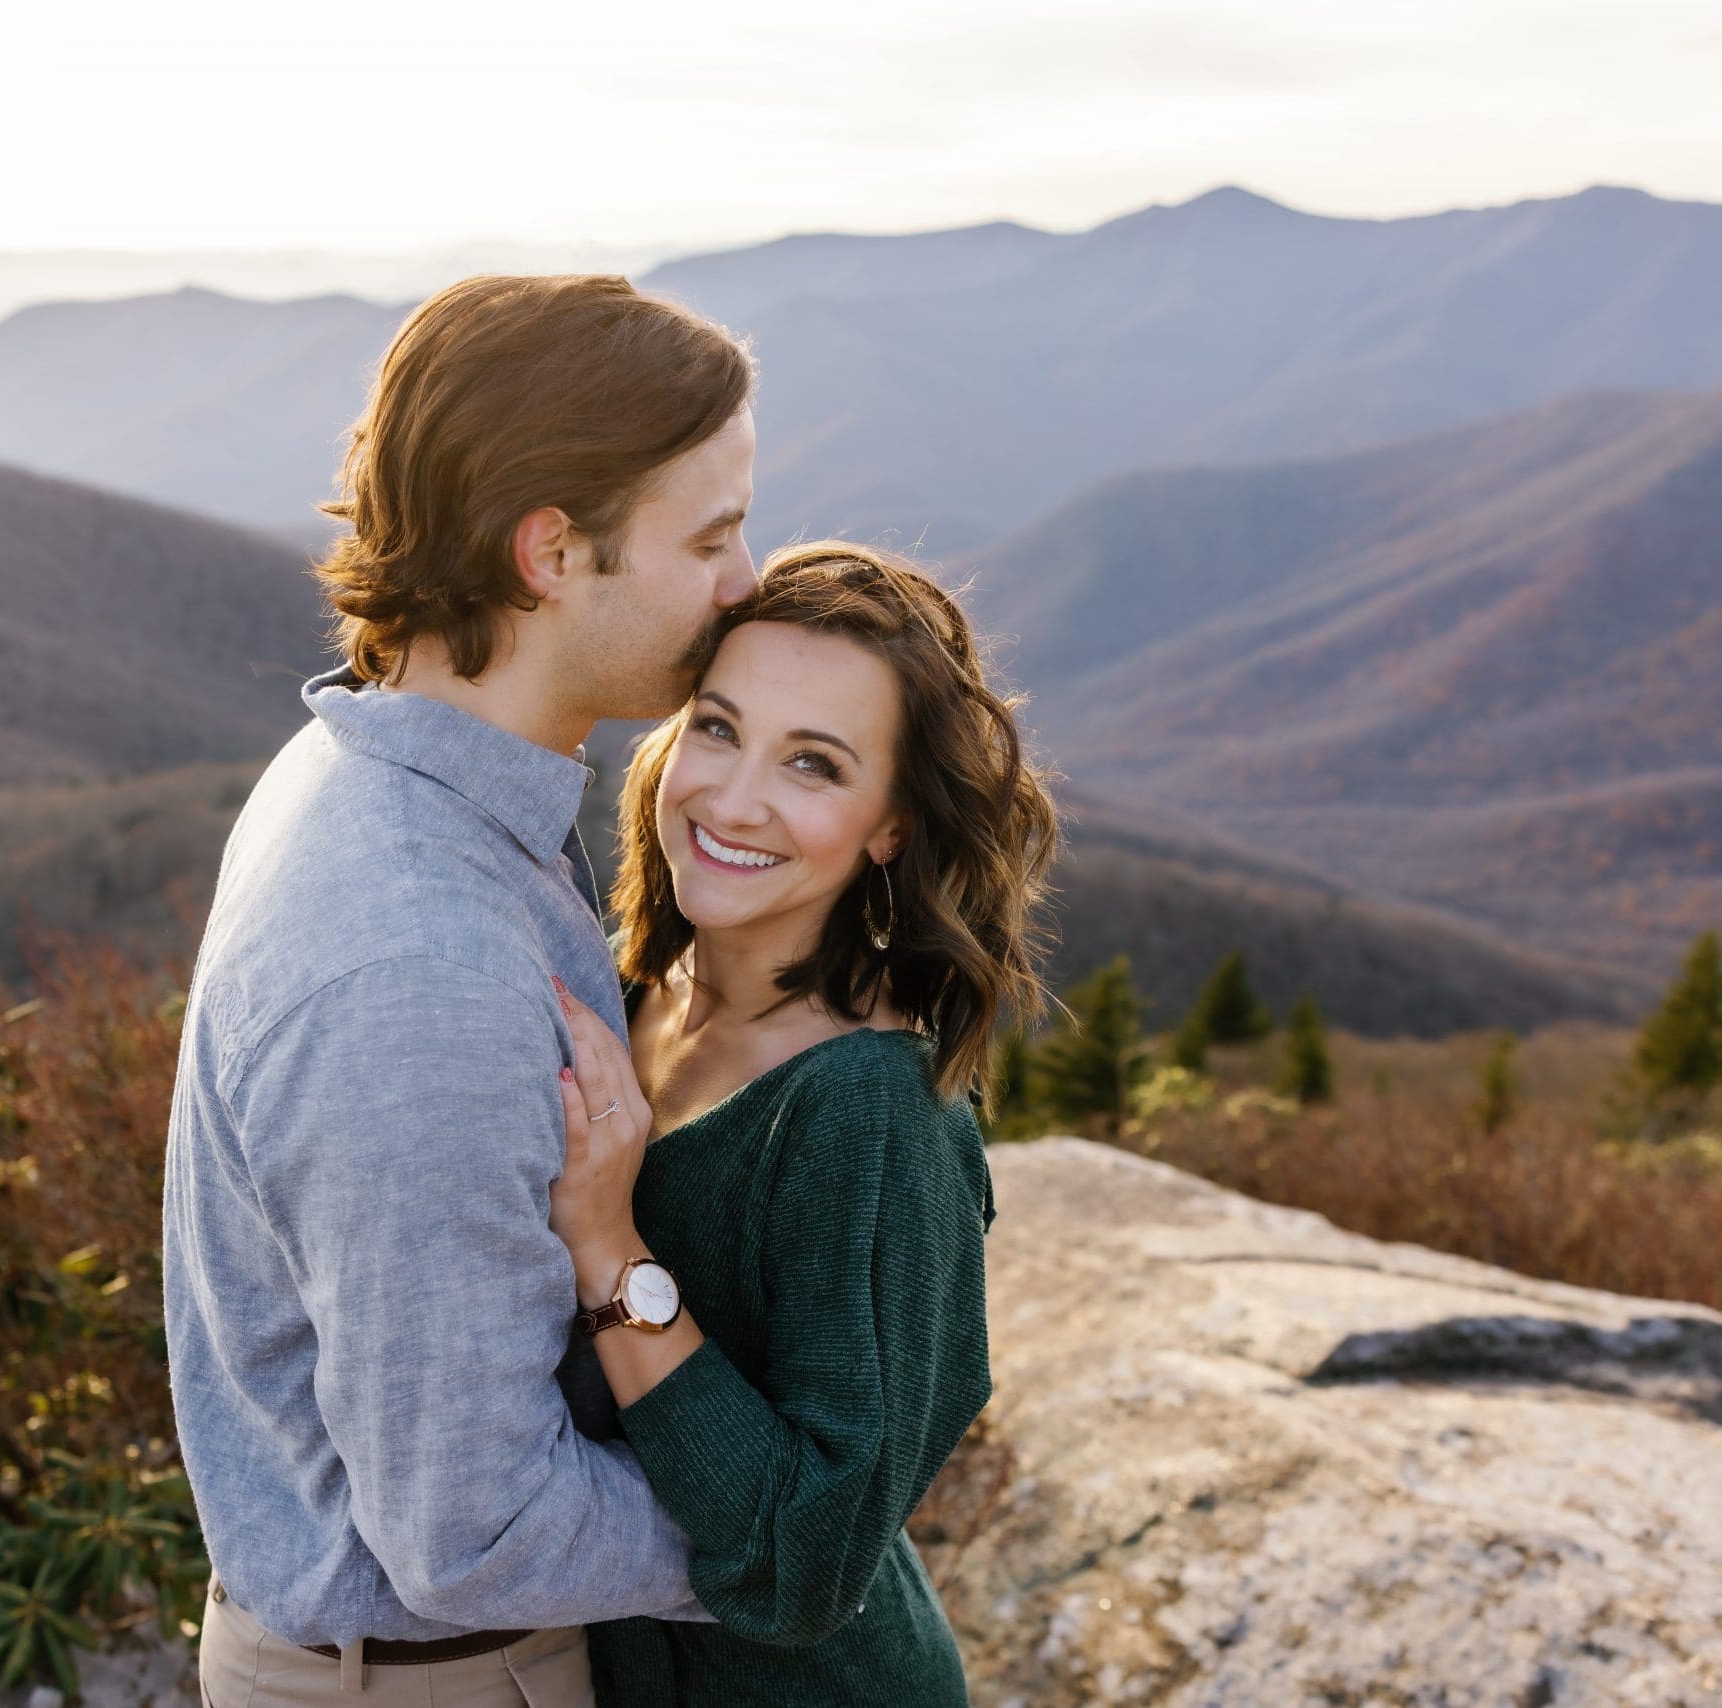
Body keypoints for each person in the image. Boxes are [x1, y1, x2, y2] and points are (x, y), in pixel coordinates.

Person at [163, 273, 758, 1707]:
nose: (746, 584)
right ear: (555, 550)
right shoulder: (418, 960)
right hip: (439, 1679)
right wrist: (786, 1524)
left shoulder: (372, 771)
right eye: (715, 536)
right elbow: (472, 1531)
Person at [548, 541, 1059, 1704]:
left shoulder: (870, 1116)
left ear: (889, 826)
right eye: (718, 727)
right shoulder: (631, 990)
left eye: (813, 765)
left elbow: (805, 1559)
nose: (733, 798)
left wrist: (610, 1250)